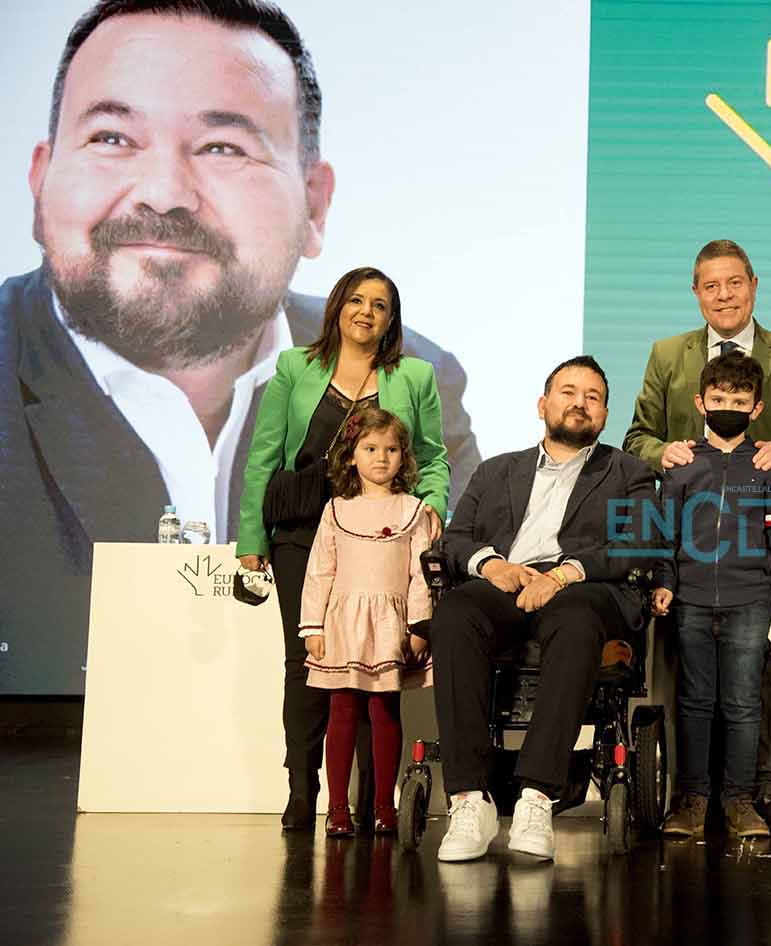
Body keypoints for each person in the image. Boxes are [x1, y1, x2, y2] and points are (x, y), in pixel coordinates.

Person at [0, 0, 478, 697]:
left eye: (223, 147)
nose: (163, 195)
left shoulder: (413, 376)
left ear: (315, 204)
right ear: (40, 179)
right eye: (111, 138)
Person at [237, 265, 452, 831]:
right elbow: (265, 455)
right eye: (356, 300)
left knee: (372, 669)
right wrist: (251, 538)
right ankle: (303, 792)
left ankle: (367, 804)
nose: (366, 312)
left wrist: (432, 507)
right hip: (301, 532)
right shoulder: (294, 367)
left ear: (391, 319)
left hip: (380, 536)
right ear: (337, 308)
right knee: (306, 663)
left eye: (379, 305)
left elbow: (431, 457)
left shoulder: (417, 374)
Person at [623, 238, 771, 835]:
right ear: (696, 292)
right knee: (694, 689)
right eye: (710, 286)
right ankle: (693, 796)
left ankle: (759, 794)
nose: (723, 295)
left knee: (756, 686)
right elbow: (637, 437)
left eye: (733, 283)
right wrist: (668, 451)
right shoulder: (667, 354)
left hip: (760, 560)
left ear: (753, 284)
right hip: (689, 566)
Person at [433, 356, 656, 863]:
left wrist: (565, 572)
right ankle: (470, 798)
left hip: (583, 587)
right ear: (543, 404)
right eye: (568, 392)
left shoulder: (628, 472)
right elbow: (457, 538)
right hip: (508, 583)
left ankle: (537, 795)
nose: (580, 403)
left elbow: (640, 541)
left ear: (603, 415)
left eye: (593, 397)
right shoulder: (495, 471)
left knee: (577, 619)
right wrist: (493, 566)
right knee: (455, 614)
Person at [653, 352, 771, 840]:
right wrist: (665, 581)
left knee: (742, 704)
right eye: (719, 399)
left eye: (739, 400)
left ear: (756, 408)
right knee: (695, 702)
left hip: (750, 603)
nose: (728, 407)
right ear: (701, 402)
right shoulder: (681, 465)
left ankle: (739, 800)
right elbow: (665, 534)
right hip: (691, 602)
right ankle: (691, 800)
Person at [297, 407, 438, 836]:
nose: (381, 458)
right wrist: (313, 627)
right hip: (343, 624)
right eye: (371, 448)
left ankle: (383, 805)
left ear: (404, 456)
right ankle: (337, 808)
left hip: (390, 627)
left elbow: (420, 575)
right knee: (341, 711)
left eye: (391, 449)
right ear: (351, 455)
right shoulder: (337, 510)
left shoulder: (412, 511)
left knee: (385, 710)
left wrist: (418, 627)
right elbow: (320, 570)